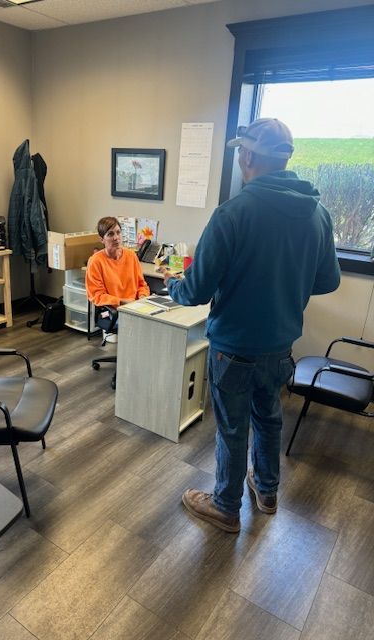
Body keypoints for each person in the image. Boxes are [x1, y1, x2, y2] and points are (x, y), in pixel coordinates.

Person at [162, 118, 341, 533]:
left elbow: (196, 291)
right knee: (269, 417)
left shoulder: (232, 214)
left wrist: (173, 287)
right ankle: (267, 489)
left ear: (247, 156)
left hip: (233, 347)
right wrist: (288, 286)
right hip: (280, 346)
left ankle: (225, 506)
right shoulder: (318, 213)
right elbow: (328, 279)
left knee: (231, 427)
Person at [86, 216, 150, 309]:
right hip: (114, 311)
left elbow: (142, 285)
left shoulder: (131, 255)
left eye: (118, 232)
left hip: (136, 307)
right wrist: (121, 302)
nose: (116, 238)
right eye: (110, 234)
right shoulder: (95, 261)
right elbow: (97, 295)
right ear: (102, 239)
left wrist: (142, 297)